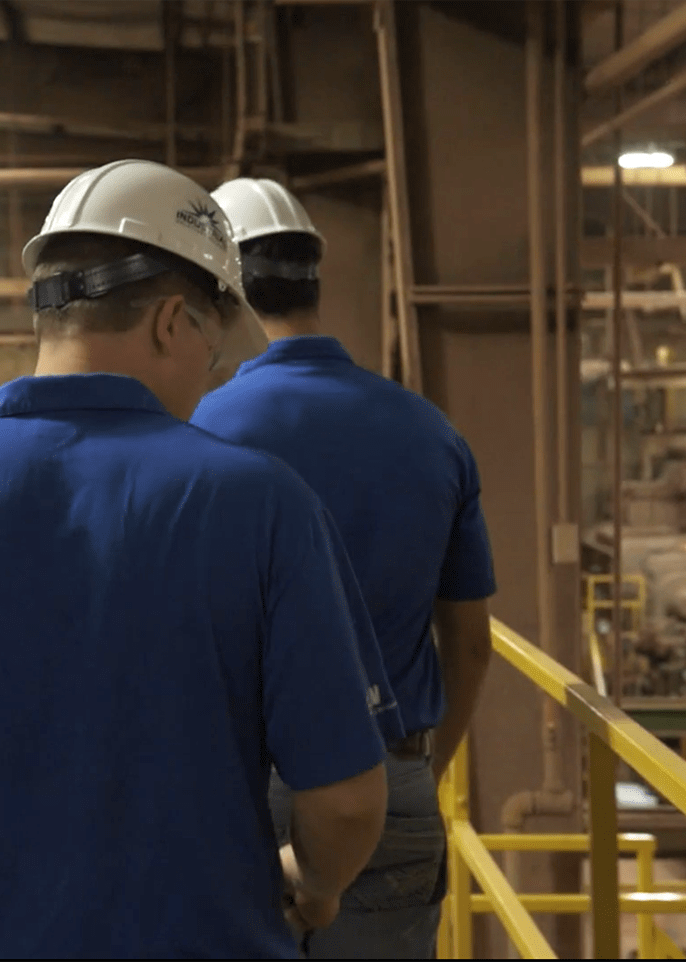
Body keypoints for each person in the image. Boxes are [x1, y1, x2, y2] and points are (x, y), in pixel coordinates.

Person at [0, 159, 406, 958]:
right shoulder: (264, 506)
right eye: (213, 349)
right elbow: (346, 805)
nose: (212, 376)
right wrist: (318, 885)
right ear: (169, 322)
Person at [192, 178, 497, 959]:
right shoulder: (431, 433)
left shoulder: (200, 431)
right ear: (315, 281)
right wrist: (422, 771)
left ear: (224, 286)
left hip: (238, 782)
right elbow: (468, 642)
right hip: (391, 773)